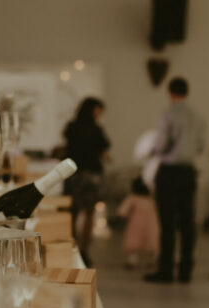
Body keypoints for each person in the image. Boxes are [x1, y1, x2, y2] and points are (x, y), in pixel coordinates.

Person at [145, 77, 206, 284]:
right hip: (189, 171)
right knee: (188, 222)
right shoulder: (198, 115)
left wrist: (151, 150)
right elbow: (200, 146)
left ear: (170, 93)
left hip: (169, 172)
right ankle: (186, 269)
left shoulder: (169, 114)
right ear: (187, 92)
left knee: (167, 223)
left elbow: (162, 144)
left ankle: (166, 270)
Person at [62, 97, 110, 267]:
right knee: (88, 213)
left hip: (73, 174)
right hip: (90, 175)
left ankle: (73, 248)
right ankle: (83, 250)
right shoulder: (96, 130)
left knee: (73, 213)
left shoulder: (71, 127)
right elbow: (105, 147)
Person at [117, 177, 159, 269]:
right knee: (152, 243)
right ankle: (153, 261)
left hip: (135, 224)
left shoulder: (132, 198)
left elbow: (122, 212)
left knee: (134, 243)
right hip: (152, 225)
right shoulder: (151, 199)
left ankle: (132, 261)